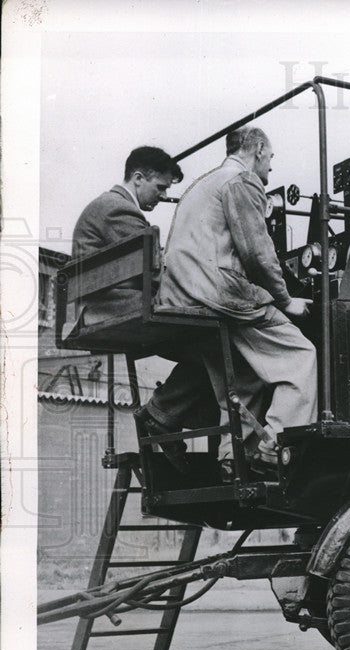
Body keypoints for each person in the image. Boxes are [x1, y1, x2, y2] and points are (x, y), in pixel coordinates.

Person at [158, 127, 317, 469]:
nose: (271, 168)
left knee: (244, 378)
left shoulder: (200, 185)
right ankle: (275, 447)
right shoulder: (242, 181)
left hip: (184, 298)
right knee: (302, 357)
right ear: (259, 149)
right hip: (220, 296)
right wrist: (286, 300)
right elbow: (258, 253)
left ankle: (234, 458)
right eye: (271, 158)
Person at [71, 146, 218, 470]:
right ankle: (165, 413)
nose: (163, 196)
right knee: (216, 340)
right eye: (160, 188)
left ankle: (169, 411)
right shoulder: (118, 210)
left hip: (109, 305)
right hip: (112, 308)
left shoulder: (107, 207)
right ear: (138, 178)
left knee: (208, 346)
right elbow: (158, 272)